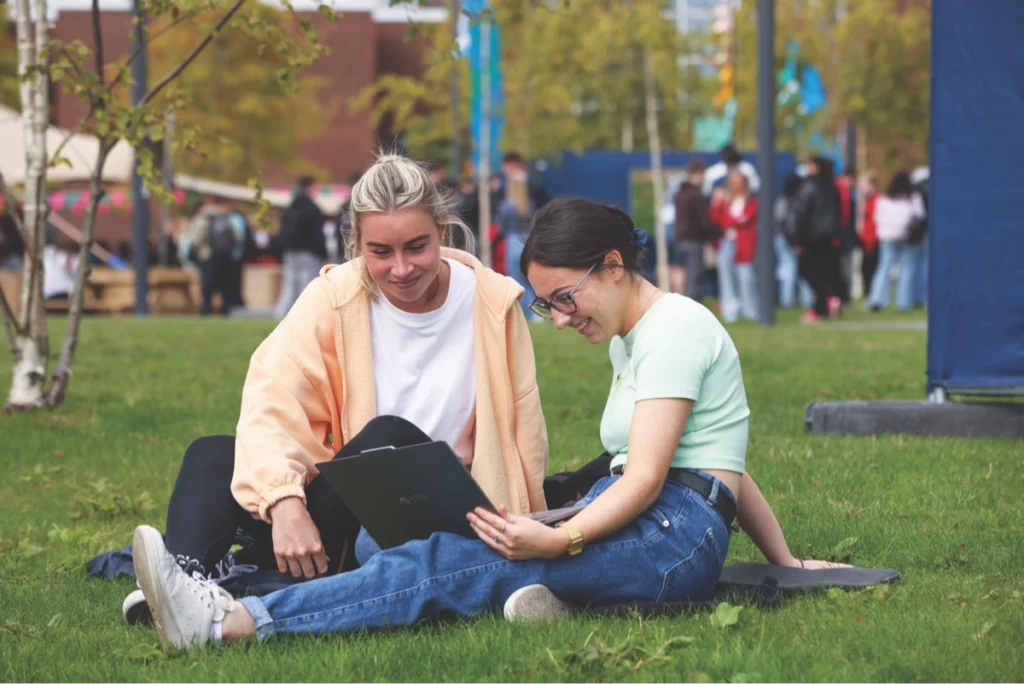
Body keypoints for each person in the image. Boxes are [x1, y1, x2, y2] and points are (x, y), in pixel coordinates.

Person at [131, 195, 846, 650]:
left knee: (450, 563)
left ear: (615, 266)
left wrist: (558, 535)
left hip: (670, 533)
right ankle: (553, 599)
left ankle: (232, 621)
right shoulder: (640, 337)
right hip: (659, 522)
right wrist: (785, 565)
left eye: (565, 299)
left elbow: (658, 478)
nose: (561, 320)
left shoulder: (676, 330)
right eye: (547, 306)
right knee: (467, 551)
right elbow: (728, 460)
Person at [119, 154, 548, 623]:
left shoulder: (493, 303)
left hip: (440, 514)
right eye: (380, 252)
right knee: (212, 453)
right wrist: (283, 500)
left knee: (391, 435)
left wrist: (526, 530)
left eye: (417, 247)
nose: (401, 268)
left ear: (442, 230)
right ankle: (186, 580)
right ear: (356, 243)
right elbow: (273, 396)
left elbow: (523, 432)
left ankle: (245, 581)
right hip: (348, 505)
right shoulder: (335, 296)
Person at [788, 156, 843, 323]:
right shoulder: (832, 187)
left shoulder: (808, 187)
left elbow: (801, 214)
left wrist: (796, 238)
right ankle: (829, 301)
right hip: (828, 237)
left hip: (810, 237)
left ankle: (821, 305)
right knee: (824, 273)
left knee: (807, 270)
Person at [179, 196, 248, 316]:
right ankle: (225, 310)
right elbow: (238, 237)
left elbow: (196, 238)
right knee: (224, 285)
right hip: (226, 256)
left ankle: (205, 310)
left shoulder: (204, 217)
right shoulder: (227, 217)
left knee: (207, 286)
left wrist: (198, 251)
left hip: (207, 255)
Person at [867, 170, 925, 312]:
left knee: (884, 267)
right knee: (907, 269)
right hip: (907, 236)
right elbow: (920, 215)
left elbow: (877, 217)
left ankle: (877, 299)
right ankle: (903, 302)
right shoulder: (913, 198)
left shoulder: (884, 198)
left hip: (887, 236)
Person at [273, 176, 327, 320]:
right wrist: (324, 254)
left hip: (290, 251)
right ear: (310, 188)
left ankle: (282, 314)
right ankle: (306, 316)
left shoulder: (290, 208)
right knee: (308, 285)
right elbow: (317, 235)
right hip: (309, 253)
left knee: (290, 284)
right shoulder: (313, 209)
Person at [710, 170, 759, 323]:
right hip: (726, 244)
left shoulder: (751, 203)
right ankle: (730, 312)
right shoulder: (725, 202)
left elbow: (744, 219)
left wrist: (730, 223)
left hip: (744, 246)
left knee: (746, 278)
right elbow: (715, 219)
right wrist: (716, 203)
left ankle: (749, 310)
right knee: (726, 279)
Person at [673, 159, 718, 302]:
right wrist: (715, 236)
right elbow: (704, 222)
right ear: (699, 173)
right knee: (694, 277)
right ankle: (691, 306)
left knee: (687, 276)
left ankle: (686, 303)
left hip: (681, 240)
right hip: (694, 240)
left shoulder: (680, 194)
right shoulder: (697, 196)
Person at [498, 167, 538, 318]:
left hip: (512, 240)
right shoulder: (529, 204)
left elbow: (502, 228)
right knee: (529, 279)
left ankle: (528, 312)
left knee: (516, 280)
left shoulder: (506, 206)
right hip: (526, 240)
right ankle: (536, 309)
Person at [774, 172, 814, 309]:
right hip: (790, 239)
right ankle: (801, 300)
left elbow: (778, 221)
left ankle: (788, 299)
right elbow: (788, 224)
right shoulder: (795, 201)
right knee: (794, 270)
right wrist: (795, 242)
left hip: (782, 238)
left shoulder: (782, 200)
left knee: (787, 270)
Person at [858, 172, 880, 302]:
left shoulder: (876, 201)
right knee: (865, 269)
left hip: (872, 240)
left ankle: (872, 296)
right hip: (866, 240)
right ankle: (869, 295)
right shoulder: (865, 201)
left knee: (870, 268)